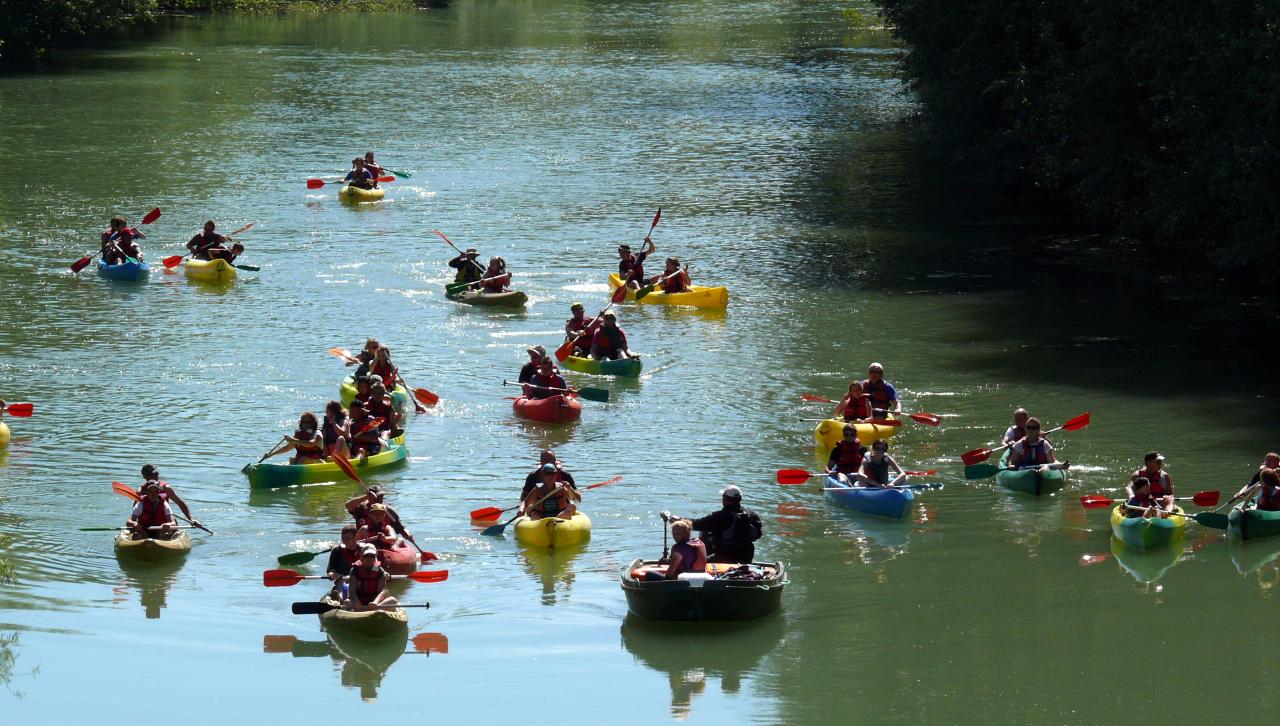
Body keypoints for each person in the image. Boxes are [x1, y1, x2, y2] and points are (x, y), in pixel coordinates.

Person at [676, 486, 762, 564]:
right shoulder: (751, 514)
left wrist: (679, 520)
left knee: (704, 536)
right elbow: (759, 534)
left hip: (722, 558)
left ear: (725, 499)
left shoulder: (719, 517)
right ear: (740, 499)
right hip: (746, 558)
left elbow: (696, 524)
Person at [137, 464, 200, 528]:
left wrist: (190, 519)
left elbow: (180, 503)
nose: (156, 475)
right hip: (146, 523)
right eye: (153, 474)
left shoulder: (166, 488)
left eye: (156, 473)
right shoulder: (141, 490)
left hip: (164, 523)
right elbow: (136, 509)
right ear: (145, 477)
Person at [347, 485, 413, 542]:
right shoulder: (361, 508)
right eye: (378, 497)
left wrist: (407, 534)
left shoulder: (389, 511)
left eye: (381, 497)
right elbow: (348, 505)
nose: (380, 499)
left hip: (385, 541)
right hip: (364, 542)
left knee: (400, 540)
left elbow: (400, 528)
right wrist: (366, 497)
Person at [343, 545, 399, 612]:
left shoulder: (379, 570)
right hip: (360, 601)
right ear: (361, 557)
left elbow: (382, 591)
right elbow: (352, 590)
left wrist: (375, 603)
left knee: (393, 601)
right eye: (366, 556)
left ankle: (371, 610)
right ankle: (369, 610)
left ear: (375, 558)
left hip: (375, 602)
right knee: (347, 602)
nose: (369, 559)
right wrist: (357, 602)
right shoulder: (355, 570)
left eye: (372, 556)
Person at [326, 524, 363, 594]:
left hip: (361, 583)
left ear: (355, 537)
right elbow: (330, 571)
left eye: (348, 538)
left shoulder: (365, 550)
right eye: (343, 538)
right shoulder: (337, 550)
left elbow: (375, 569)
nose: (345, 541)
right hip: (343, 582)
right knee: (344, 586)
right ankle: (341, 598)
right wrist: (332, 574)